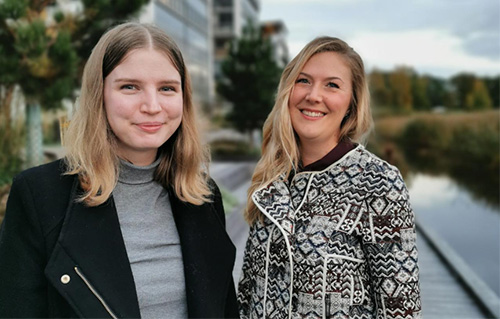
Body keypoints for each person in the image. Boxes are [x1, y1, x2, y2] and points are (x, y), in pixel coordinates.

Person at [0, 22, 239, 318]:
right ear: (98, 95)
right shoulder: (39, 195)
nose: (152, 106)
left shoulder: (202, 195)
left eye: (167, 88)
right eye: (130, 87)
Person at [237, 37, 421, 318]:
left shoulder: (378, 182)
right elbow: (247, 294)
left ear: (351, 102)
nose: (313, 95)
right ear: (288, 90)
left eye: (332, 85)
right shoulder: (272, 177)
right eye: (303, 81)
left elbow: (401, 311)